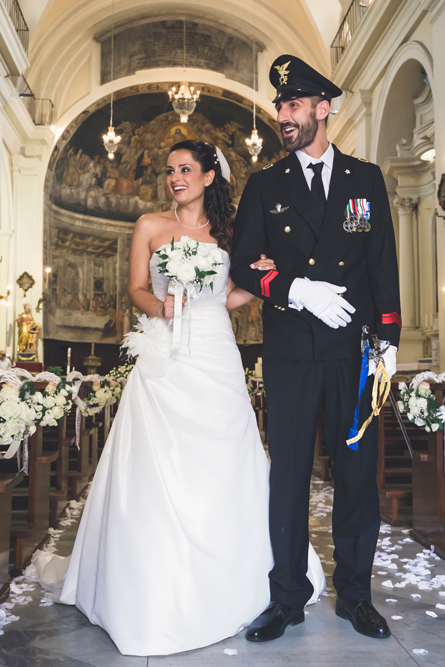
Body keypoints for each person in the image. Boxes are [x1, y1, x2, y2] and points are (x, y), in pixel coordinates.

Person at [32, 139, 325, 657]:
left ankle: (243, 579)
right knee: (155, 460)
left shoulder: (231, 235)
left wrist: (242, 292)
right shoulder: (148, 225)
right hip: (164, 352)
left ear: (210, 176)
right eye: (170, 170)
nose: (175, 177)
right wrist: (161, 307)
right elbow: (137, 290)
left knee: (224, 457)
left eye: (186, 169)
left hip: (214, 350)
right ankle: (148, 587)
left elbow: (235, 294)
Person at [230, 55, 401, 642]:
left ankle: (356, 596)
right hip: (292, 353)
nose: (284, 115)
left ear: (323, 109)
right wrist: (297, 290)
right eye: (280, 105)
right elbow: (241, 263)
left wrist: (387, 341)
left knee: (356, 478)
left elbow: (381, 264)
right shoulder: (265, 184)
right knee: (290, 477)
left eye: (295, 104)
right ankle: (287, 598)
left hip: (353, 352)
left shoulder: (366, 179)